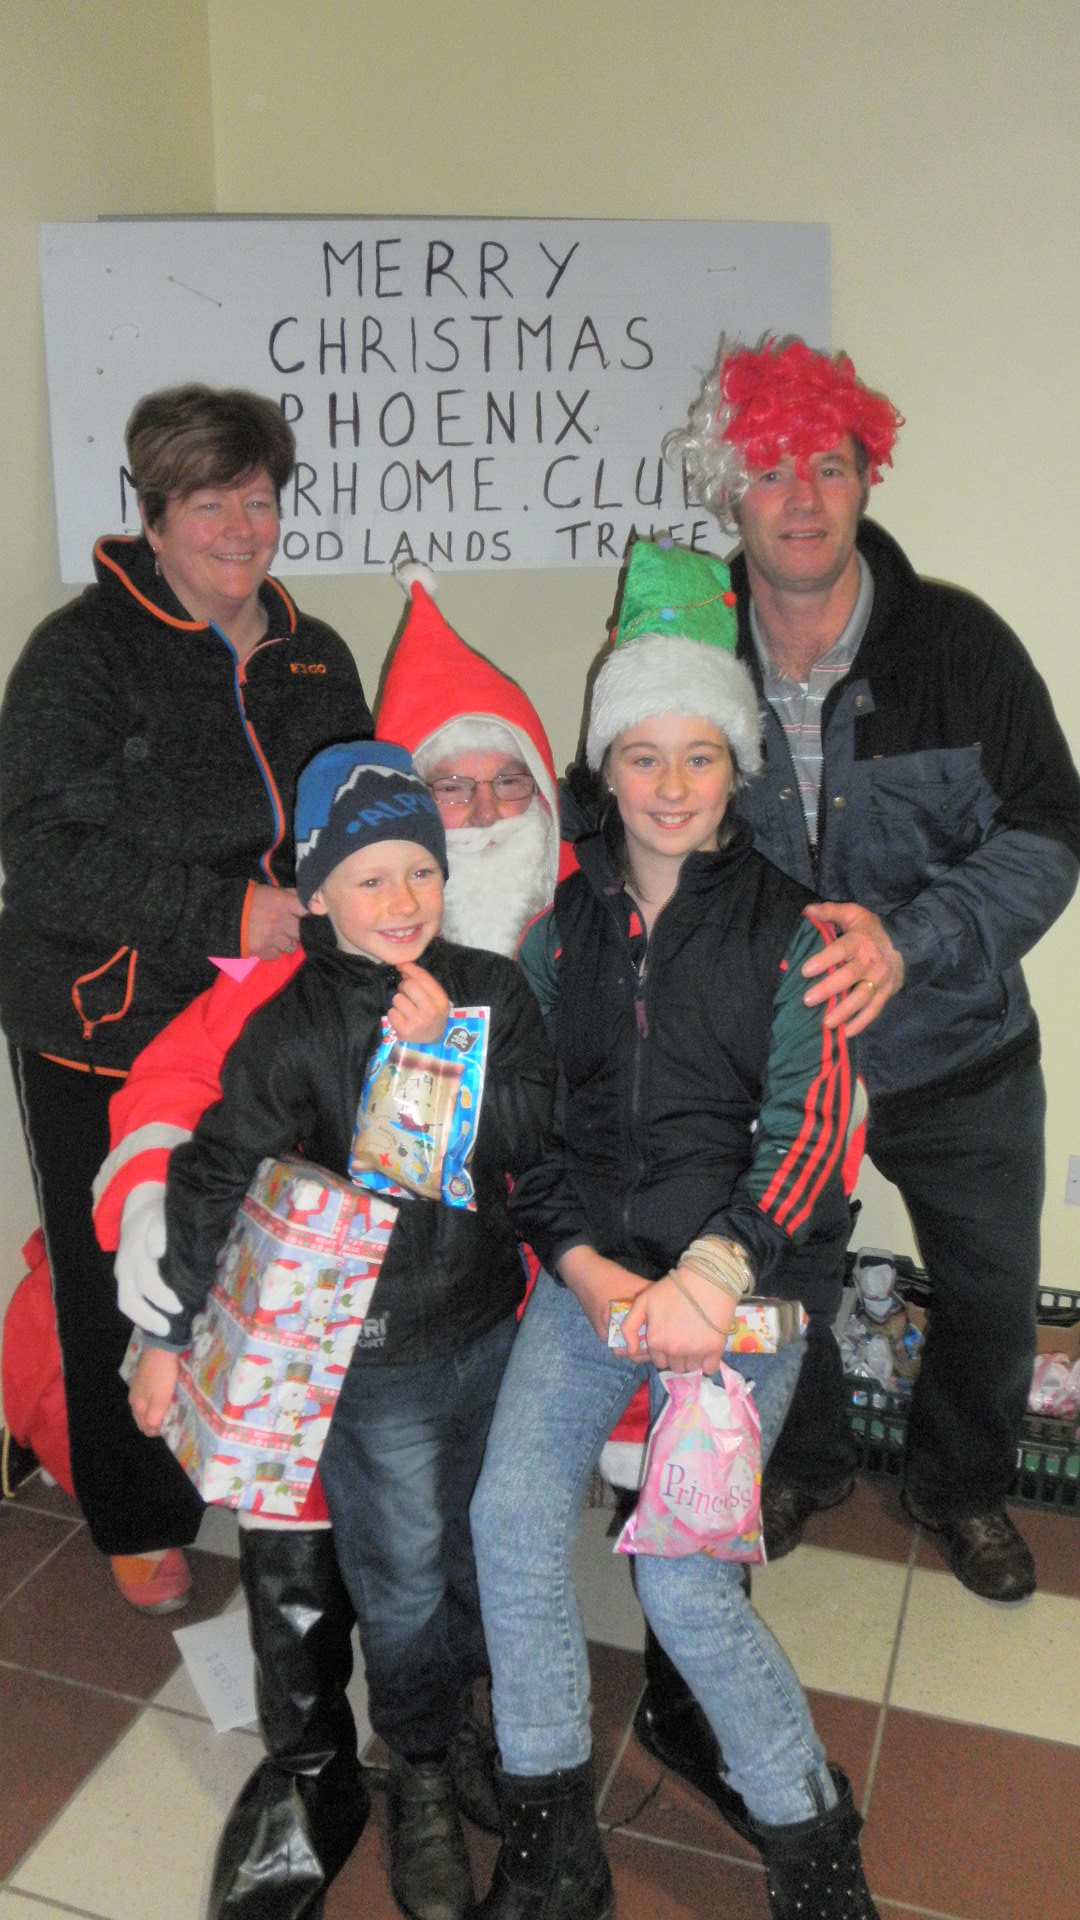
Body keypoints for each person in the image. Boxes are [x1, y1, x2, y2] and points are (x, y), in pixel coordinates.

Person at [92, 585, 570, 1920]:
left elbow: (536, 1129)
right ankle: (412, 1766)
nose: (405, 895)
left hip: (490, 1330)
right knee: (405, 1578)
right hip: (374, 1360)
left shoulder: (491, 987)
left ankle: (463, 1724)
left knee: (474, 1552)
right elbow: (214, 1165)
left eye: (421, 868)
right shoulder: (291, 1023)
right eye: (371, 877)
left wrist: (454, 1059)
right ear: (317, 892)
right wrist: (167, 1328)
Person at [470, 540, 880, 1920]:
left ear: (735, 764)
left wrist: (713, 1271)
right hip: (592, 1280)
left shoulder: (794, 931)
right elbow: (524, 1131)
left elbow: (813, 1130)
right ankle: (550, 1831)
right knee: (510, 1518)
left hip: (742, 1290)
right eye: (641, 755)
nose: (669, 783)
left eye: (699, 754)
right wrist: (586, 1272)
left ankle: (810, 1837)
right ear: (605, 763)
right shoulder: (557, 934)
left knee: (686, 1580)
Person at [665, 336, 1080, 1601]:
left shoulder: (960, 644)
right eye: (772, 469)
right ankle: (804, 1462)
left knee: (991, 1293)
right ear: (729, 489)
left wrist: (913, 939)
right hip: (779, 1069)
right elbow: (628, 820)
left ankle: (961, 1488)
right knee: (777, 1279)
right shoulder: (684, 654)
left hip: (960, 1051)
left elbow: (1050, 832)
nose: (802, 498)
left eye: (830, 467)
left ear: (866, 480)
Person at [0, 384, 371, 1612]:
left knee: (266, 1244)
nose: (240, 530)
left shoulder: (316, 653)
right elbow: (42, 855)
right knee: (118, 1267)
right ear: (153, 519)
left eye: (257, 501)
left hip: (269, 1019)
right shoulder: (81, 656)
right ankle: (138, 1513)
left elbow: (355, 815)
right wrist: (226, 914)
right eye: (209, 505)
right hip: (103, 1023)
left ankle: (267, 1462)